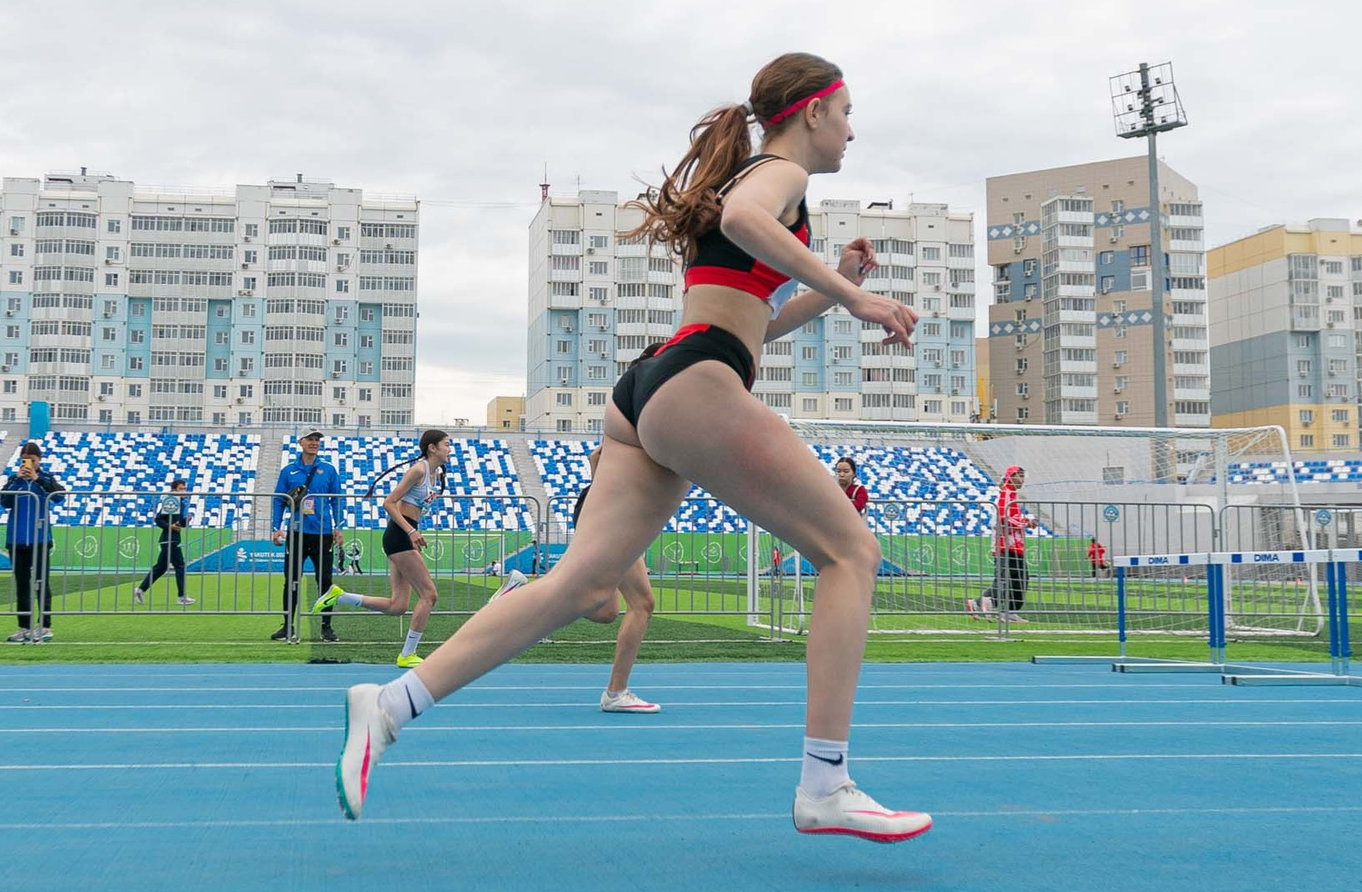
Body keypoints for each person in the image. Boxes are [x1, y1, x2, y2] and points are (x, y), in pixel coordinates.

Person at [334, 52, 928, 841]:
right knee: (851, 552)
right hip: (698, 380)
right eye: (847, 112)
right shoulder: (779, 175)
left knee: (580, 587)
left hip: (655, 383)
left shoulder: (760, 181)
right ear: (812, 112)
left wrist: (827, 291)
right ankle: (825, 783)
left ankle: (390, 704)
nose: (853, 130)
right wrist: (856, 291)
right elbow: (748, 225)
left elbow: (752, 320)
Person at [318, 428, 448, 669]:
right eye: (447, 444)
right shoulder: (419, 470)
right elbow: (388, 502)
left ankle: (341, 596)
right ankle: (408, 654)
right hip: (400, 535)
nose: (450, 449)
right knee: (429, 595)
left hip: (404, 535)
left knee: (398, 606)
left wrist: (413, 531)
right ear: (432, 447)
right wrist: (411, 532)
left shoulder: (435, 473)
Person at [562, 442, 661, 712]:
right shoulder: (647, 421)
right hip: (615, 511)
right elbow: (597, 456)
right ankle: (616, 692)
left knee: (606, 611)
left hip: (607, 506)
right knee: (642, 603)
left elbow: (596, 456)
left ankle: (524, 598)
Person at [271, 430, 344, 643]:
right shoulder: (289, 472)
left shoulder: (328, 470)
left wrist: (338, 527)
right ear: (300, 442)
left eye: (317, 440)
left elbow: (337, 499)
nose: (314, 443)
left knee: (326, 582)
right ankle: (287, 626)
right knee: (291, 580)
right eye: (310, 439)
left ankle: (326, 627)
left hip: (322, 534)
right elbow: (278, 501)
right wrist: (276, 527)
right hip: (296, 533)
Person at [0, 441, 66, 644]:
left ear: (39, 460)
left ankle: (45, 626)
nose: (28, 464)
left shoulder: (45, 479)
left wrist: (37, 479)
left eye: (32, 460)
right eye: (24, 460)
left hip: (41, 539)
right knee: (21, 585)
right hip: (16, 540)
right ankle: (23, 627)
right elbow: (4, 502)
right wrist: (17, 480)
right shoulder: (13, 479)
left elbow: (59, 496)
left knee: (41, 583)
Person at [968, 465, 1028, 620]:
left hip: (1011, 545)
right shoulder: (1006, 495)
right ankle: (999, 607)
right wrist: (1023, 524)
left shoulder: (1011, 495)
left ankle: (982, 603)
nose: (1022, 479)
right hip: (1007, 545)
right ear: (1010, 477)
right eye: (1019, 476)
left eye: (1023, 476)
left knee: (1014, 578)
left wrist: (1025, 521)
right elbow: (1003, 519)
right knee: (1011, 578)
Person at [135, 477, 196, 604]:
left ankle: (140, 589)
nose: (184, 491)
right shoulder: (171, 502)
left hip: (170, 539)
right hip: (170, 539)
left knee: (160, 567)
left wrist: (185, 521)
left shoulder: (180, 504)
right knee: (180, 566)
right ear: (174, 490)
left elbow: (178, 524)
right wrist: (171, 526)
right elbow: (159, 519)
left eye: (185, 488)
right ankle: (181, 597)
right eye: (181, 489)